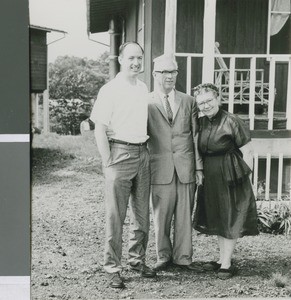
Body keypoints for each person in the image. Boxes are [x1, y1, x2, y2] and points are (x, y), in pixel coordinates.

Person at [90, 42, 156, 289]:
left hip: (142, 153)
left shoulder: (142, 88)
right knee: (116, 215)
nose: (136, 63)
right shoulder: (110, 90)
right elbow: (100, 129)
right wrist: (107, 162)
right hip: (119, 153)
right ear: (120, 59)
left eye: (139, 58)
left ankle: (137, 261)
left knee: (141, 214)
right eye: (131, 58)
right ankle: (112, 267)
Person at [192, 83, 259, 279]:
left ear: (218, 99)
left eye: (209, 101)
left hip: (231, 174)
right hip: (211, 175)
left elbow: (248, 151)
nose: (205, 106)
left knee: (230, 217)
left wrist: (246, 177)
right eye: (201, 103)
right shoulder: (201, 122)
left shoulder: (232, 121)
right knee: (219, 216)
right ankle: (222, 259)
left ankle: (227, 264)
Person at [147, 54, 203, 271]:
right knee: (161, 215)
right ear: (155, 74)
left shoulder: (189, 101)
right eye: (165, 72)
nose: (170, 76)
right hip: (159, 168)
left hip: (186, 167)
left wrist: (198, 166)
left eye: (173, 72)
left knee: (184, 216)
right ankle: (163, 256)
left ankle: (183, 257)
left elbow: (195, 136)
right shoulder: (146, 102)